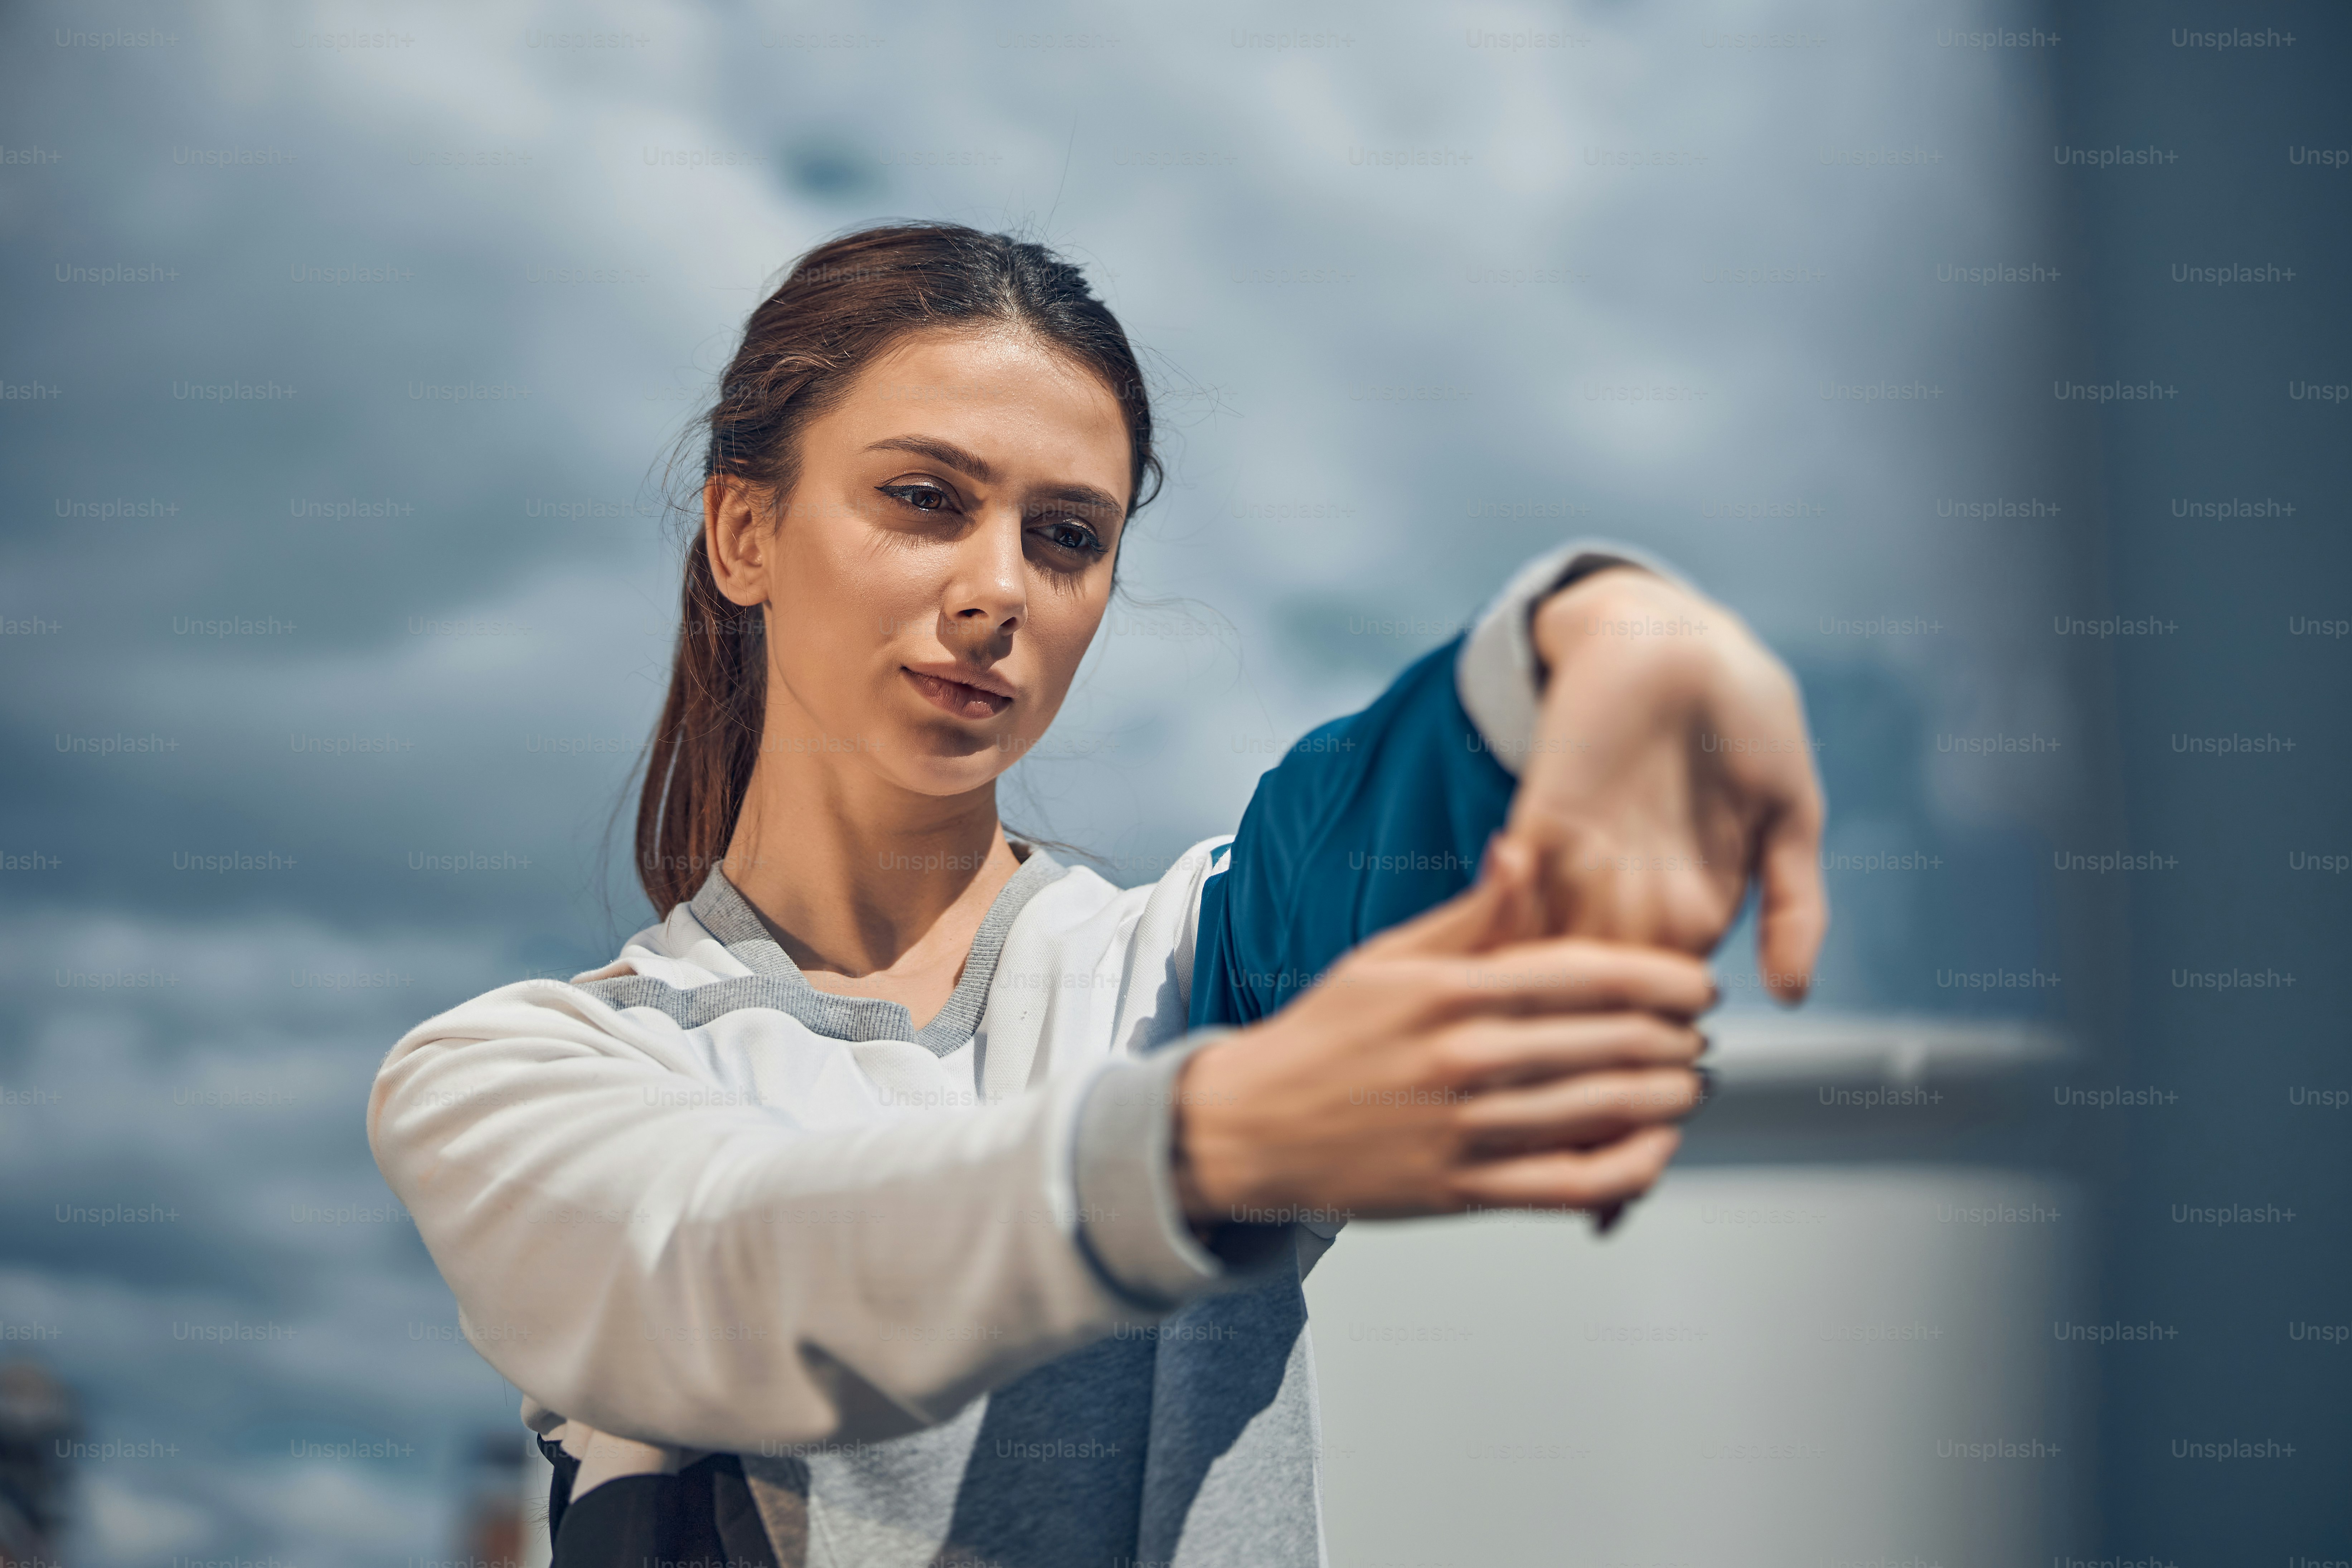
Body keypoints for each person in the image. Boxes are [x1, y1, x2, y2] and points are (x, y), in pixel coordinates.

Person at [368, 222, 1826, 1567]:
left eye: (1066, 536)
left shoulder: (1183, 975)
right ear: (743, 531)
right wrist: (1191, 1144)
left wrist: (1560, 654)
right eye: (923, 500)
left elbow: (1353, 840)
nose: (996, 587)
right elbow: (726, 1262)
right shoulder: (515, 1076)